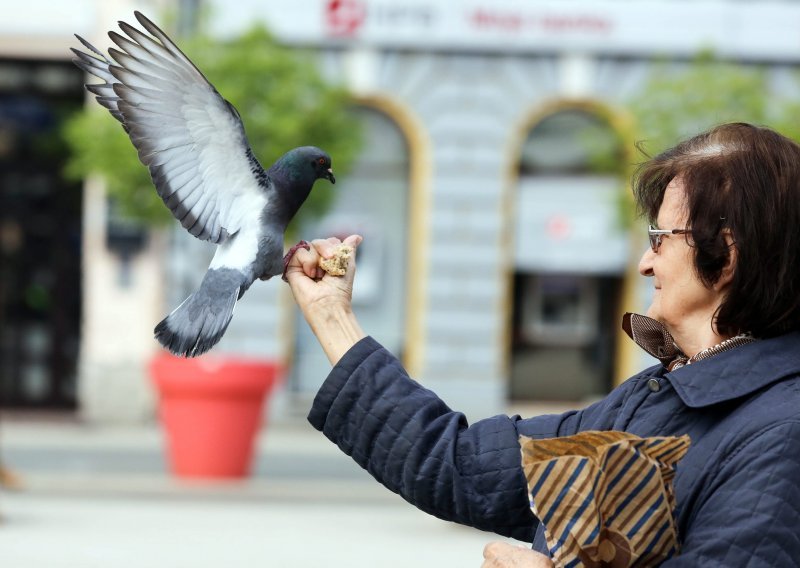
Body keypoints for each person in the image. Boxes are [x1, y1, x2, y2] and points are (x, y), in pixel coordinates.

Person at [283, 122, 800, 566]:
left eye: (661, 238)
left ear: (726, 255)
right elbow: (459, 465)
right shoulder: (658, 394)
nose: (646, 263)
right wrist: (332, 314)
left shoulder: (781, 435)